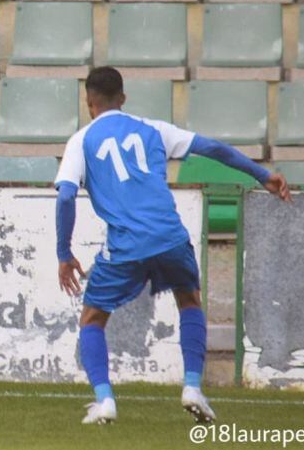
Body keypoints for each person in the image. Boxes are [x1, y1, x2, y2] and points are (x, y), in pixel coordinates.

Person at [55, 67, 292, 425]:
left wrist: (64, 253)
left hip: (126, 245)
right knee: (189, 300)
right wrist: (263, 175)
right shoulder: (153, 129)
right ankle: (193, 387)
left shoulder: (81, 141)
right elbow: (211, 148)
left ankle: (104, 401)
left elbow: (66, 197)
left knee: (93, 318)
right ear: (123, 98)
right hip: (169, 236)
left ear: (89, 103)